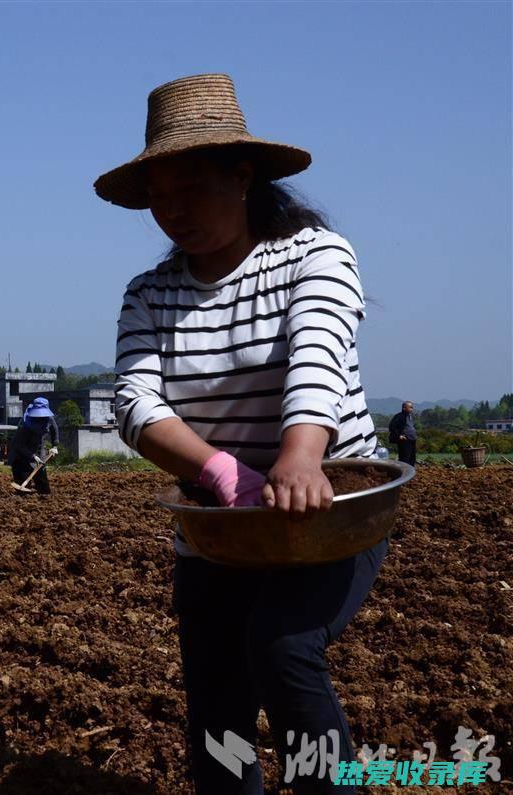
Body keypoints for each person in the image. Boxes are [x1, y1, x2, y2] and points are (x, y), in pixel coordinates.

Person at [99, 74, 382, 794]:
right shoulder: (149, 295)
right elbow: (134, 401)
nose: (172, 211)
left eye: (190, 187)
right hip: (220, 524)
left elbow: (318, 352)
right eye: (159, 196)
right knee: (217, 706)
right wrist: (222, 470)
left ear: (243, 173)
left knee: (283, 645)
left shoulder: (316, 256)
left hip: (328, 510)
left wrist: (299, 456)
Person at [8, 396, 59, 495]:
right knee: (23, 489)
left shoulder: (48, 419)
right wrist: (33, 456)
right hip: (21, 456)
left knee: (44, 488)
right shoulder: (24, 424)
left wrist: (54, 446)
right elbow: (19, 445)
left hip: (39, 451)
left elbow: (54, 429)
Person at [387, 401, 416, 466]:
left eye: (412, 407)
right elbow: (392, 426)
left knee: (412, 458)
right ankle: (404, 472)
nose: (412, 409)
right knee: (405, 458)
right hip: (405, 440)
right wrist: (399, 435)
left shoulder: (410, 416)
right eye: (410, 407)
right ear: (404, 408)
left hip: (412, 440)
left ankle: (411, 472)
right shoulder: (399, 416)